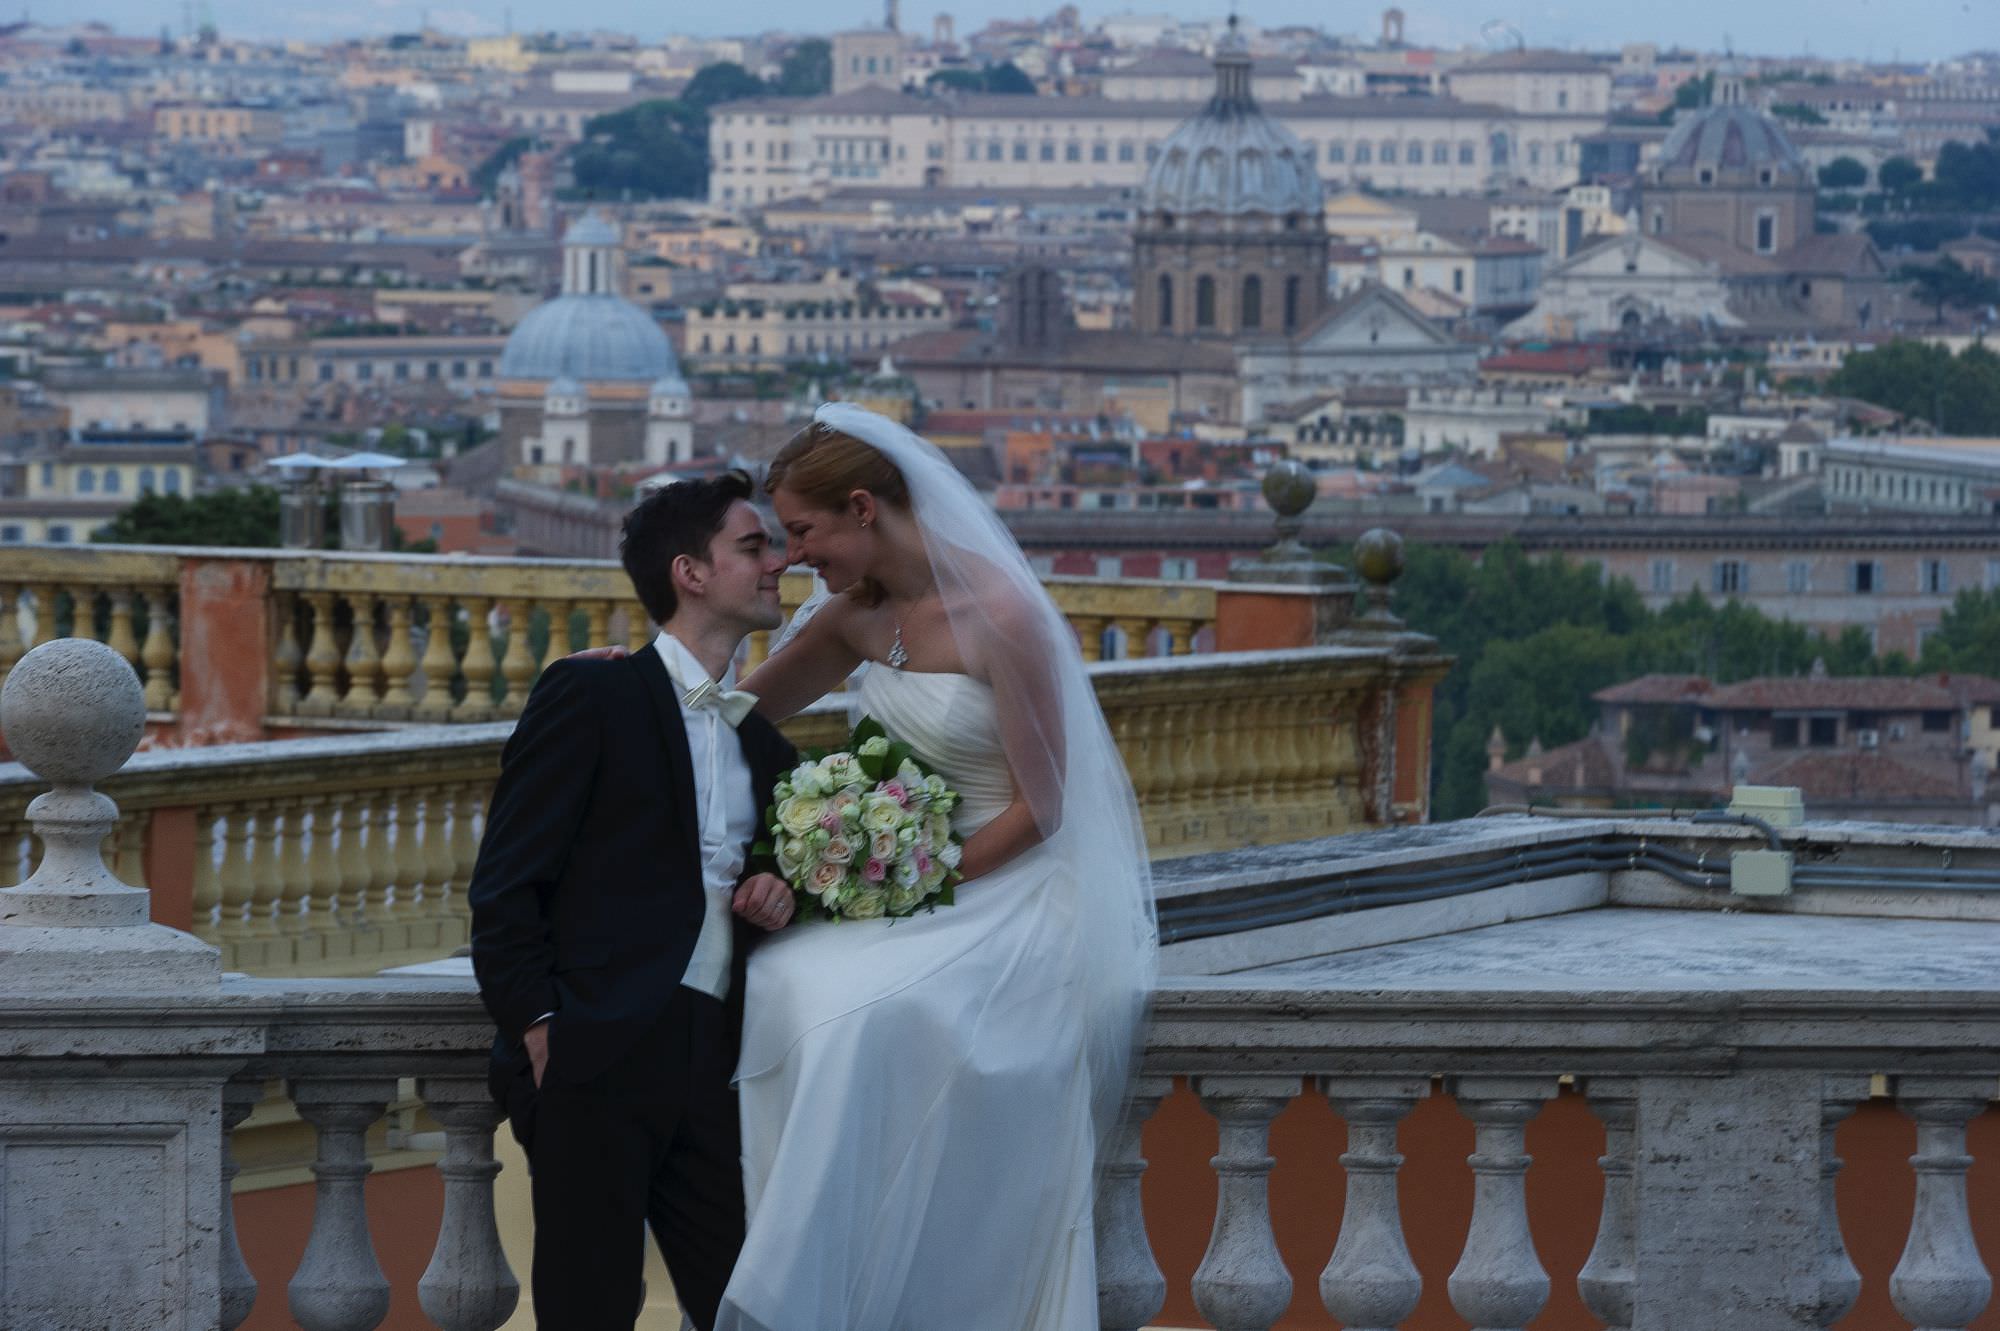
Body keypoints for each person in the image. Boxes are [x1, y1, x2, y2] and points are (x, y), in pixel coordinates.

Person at [714, 402, 1159, 1330]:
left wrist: (914, 877)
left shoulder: (1000, 616)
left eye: (803, 531)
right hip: (898, 878)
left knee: (862, 1018)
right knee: (784, 976)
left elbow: (1044, 810)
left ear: (864, 509)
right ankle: (808, 1273)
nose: (794, 557)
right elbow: (734, 712)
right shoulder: (852, 618)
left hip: (1004, 886)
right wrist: (637, 681)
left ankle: (852, 1289)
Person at [468, 471, 801, 1331]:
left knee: (752, 1306)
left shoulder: (763, 743)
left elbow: (778, 872)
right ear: (691, 573)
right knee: (590, 1311)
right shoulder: (591, 694)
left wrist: (781, 888)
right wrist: (544, 1028)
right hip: (596, 1051)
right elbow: (507, 880)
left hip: (717, 1057)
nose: (778, 561)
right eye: (753, 545)